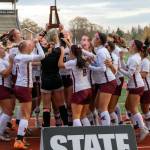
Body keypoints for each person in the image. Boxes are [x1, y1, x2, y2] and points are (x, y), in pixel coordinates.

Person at [13, 39, 45, 149]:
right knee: (26, 116)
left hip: (19, 86)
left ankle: (20, 138)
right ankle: (19, 140)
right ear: (25, 48)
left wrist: (36, 41)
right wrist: (37, 44)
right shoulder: (24, 57)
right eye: (29, 45)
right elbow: (42, 56)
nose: (31, 46)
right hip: (24, 87)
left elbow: (30, 52)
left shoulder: (19, 55)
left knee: (23, 114)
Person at [119, 40, 149, 141]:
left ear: (134, 46)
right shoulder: (133, 57)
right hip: (134, 85)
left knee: (133, 108)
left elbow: (129, 75)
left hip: (136, 86)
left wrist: (118, 69)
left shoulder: (135, 58)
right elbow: (126, 68)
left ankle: (143, 129)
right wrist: (121, 59)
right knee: (128, 106)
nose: (129, 46)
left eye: (131, 44)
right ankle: (137, 127)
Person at [58, 45, 92, 126]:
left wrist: (62, 53)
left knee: (76, 117)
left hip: (79, 90)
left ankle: (79, 137)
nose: (69, 53)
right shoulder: (83, 60)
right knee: (83, 116)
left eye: (70, 51)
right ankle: (88, 135)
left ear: (72, 53)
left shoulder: (73, 62)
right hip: (88, 89)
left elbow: (60, 65)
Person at [88, 32, 117, 126]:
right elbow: (97, 61)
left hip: (107, 81)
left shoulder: (101, 51)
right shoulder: (101, 50)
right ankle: (106, 127)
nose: (92, 39)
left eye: (94, 37)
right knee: (98, 106)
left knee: (103, 108)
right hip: (105, 81)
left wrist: (89, 66)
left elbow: (102, 68)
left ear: (98, 40)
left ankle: (107, 130)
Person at [41, 32, 68, 127]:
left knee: (46, 107)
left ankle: (47, 129)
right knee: (61, 104)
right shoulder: (59, 50)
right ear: (56, 39)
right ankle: (66, 126)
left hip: (45, 81)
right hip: (56, 79)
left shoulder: (42, 50)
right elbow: (60, 65)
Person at [0, 45, 13, 141]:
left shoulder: (3, 59)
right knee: (7, 112)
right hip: (2, 86)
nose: (3, 48)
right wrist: (11, 64)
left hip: (5, 86)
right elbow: (4, 73)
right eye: (0, 47)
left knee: (5, 112)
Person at [140, 42, 150, 131]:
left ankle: (148, 128)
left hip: (147, 88)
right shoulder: (141, 60)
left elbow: (143, 75)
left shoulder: (145, 61)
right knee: (144, 108)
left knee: (145, 109)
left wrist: (133, 73)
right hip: (143, 87)